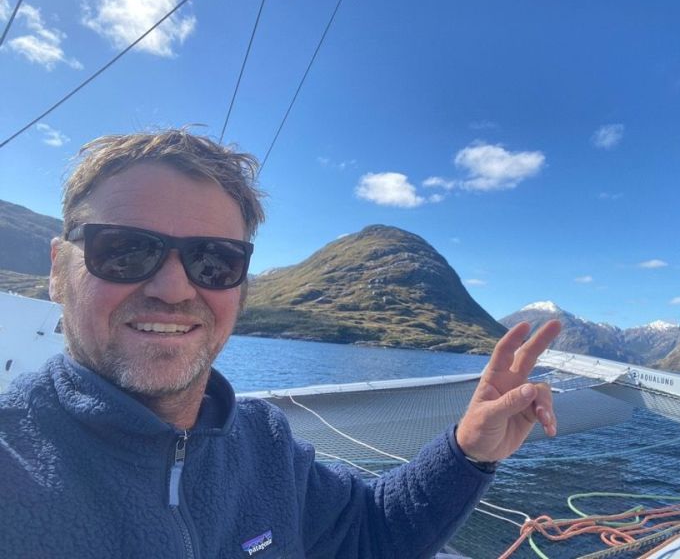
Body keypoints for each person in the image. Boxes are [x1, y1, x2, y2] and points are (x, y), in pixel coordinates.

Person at [0, 129, 561, 558]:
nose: (174, 288)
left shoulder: (263, 442)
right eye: (124, 250)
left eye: (214, 261)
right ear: (58, 269)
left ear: (241, 283)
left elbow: (367, 532)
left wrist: (468, 451)